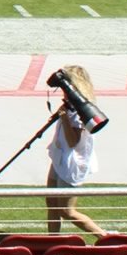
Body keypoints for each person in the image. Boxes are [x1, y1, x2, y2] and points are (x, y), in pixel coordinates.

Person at [45, 64, 105, 238]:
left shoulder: (82, 109)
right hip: (60, 156)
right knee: (51, 203)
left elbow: (73, 141)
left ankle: (104, 236)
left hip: (72, 162)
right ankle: (53, 240)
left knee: (67, 210)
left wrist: (63, 117)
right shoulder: (71, 104)